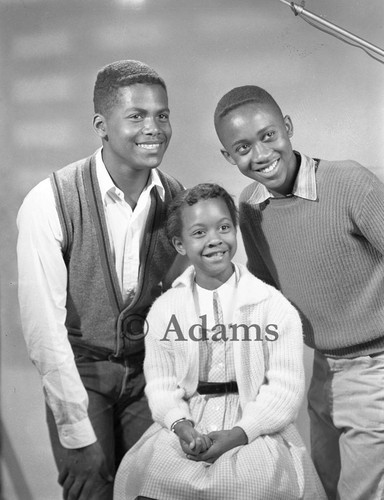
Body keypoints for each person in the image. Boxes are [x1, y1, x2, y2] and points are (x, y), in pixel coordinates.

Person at [16, 59, 185, 500]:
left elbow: (187, 303)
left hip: (150, 374)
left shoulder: (178, 199)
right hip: (81, 371)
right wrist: (76, 435)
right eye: (136, 116)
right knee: (91, 488)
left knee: (160, 489)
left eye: (162, 115)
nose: (154, 127)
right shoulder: (49, 200)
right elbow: (44, 333)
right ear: (101, 125)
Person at [214, 84, 384, 500]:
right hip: (324, 368)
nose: (260, 154)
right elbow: (266, 290)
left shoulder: (350, 183)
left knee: (360, 493)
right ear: (228, 157)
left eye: (268, 136)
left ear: (287, 127)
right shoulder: (250, 207)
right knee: (322, 484)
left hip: (375, 368)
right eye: (242, 148)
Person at [114, 183, 326, 500]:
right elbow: (161, 385)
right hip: (187, 425)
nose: (215, 240)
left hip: (254, 427)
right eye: (199, 233)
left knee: (255, 481)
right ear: (180, 244)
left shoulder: (273, 306)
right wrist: (180, 425)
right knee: (148, 476)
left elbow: (285, 389)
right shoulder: (165, 310)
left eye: (224, 227)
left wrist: (241, 433)